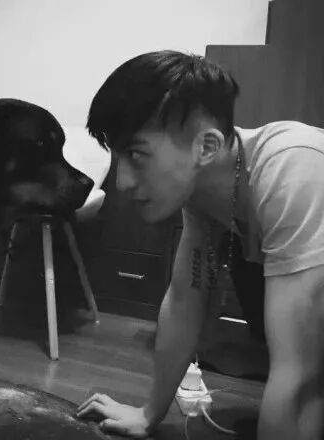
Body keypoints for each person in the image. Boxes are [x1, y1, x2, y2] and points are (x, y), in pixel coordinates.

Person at [76, 50, 324, 440]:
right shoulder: (205, 191)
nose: (122, 182)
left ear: (206, 147)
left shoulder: (293, 168)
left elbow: (300, 372)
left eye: (137, 154)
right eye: (118, 155)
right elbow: (184, 300)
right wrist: (149, 414)